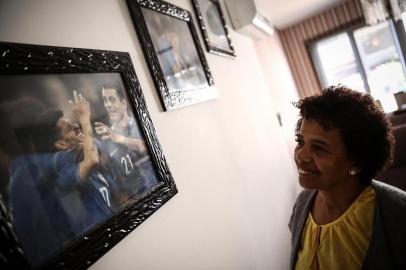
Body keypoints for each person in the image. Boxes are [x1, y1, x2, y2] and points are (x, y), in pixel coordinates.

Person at [289, 85, 406, 270]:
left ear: (357, 161)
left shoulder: (397, 214)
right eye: (300, 142)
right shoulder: (302, 204)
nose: (301, 156)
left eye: (319, 147)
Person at [9, 91, 118, 266]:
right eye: (70, 129)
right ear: (62, 144)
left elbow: (98, 154)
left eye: (75, 124)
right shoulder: (65, 174)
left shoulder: (87, 149)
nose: (77, 127)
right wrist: (84, 118)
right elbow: (92, 161)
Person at [94, 84, 158, 203]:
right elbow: (112, 173)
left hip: (155, 188)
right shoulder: (106, 139)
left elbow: (152, 148)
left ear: (123, 104)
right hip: (135, 198)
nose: (108, 105)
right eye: (105, 101)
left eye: (112, 100)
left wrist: (120, 139)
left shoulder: (140, 124)